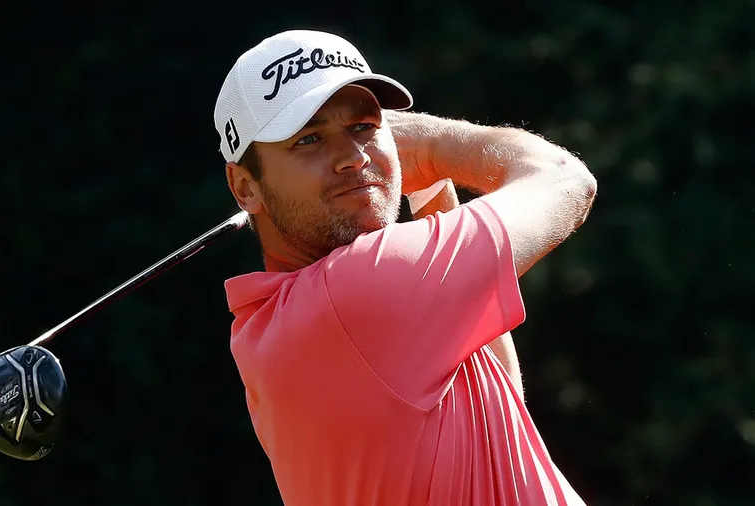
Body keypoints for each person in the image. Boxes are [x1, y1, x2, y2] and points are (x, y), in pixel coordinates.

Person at [213, 29, 597, 505]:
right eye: (309, 139)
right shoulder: (358, 288)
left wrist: (430, 188)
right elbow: (565, 180)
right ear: (244, 186)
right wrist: (435, 146)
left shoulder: (269, 324)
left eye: (363, 126)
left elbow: (497, 403)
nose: (352, 158)